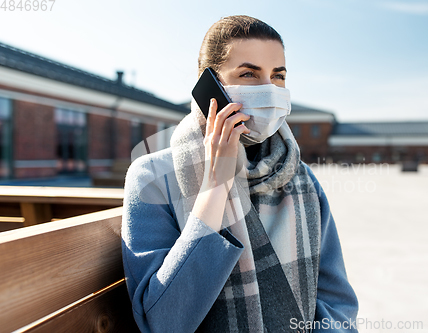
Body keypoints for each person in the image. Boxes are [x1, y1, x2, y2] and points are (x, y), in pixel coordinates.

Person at [121, 15, 359, 333]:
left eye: (278, 76)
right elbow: (164, 321)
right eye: (249, 73)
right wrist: (215, 187)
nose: (269, 90)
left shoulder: (301, 179)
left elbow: (336, 303)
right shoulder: (152, 176)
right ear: (212, 86)